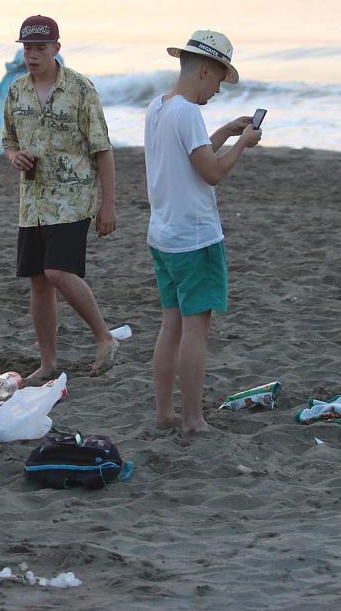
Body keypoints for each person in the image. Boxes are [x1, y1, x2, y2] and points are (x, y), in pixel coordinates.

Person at [144, 29, 262, 434]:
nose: (217, 91)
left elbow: (190, 153)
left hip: (163, 236)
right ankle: (193, 419)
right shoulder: (188, 113)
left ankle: (164, 412)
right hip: (195, 238)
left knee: (170, 325)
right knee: (196, 328)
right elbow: (211, 172)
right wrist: (243, 145)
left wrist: (227, 131)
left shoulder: (159, 108)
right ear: (206, 71)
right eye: (218, 81)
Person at [2, 15, 119, 381]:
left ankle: (105, 338)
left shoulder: (81, 89)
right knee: (38, 279)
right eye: (27, 48)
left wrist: (108, 204)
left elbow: (103, 149)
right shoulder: (16, 90)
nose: (33, 55)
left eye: (40, 48)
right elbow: (8, 140)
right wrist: (13, 157)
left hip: (73, 197)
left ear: (56, 48)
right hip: (32, 201)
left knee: (58, 271)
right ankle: (49, 362)